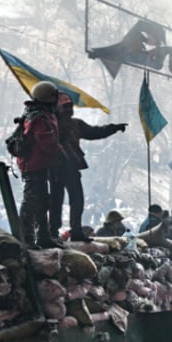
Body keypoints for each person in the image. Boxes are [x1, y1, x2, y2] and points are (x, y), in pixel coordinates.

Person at [50, 93, 127, 242]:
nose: (69, 109)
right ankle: (57, 230)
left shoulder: (71, 124)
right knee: (60, 200)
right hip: (58, 167)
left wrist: (113, 128)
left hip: (64, 167)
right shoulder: (51, 124)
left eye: (69, 106)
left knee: (68, 200)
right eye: (65, 106)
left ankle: (66, 230)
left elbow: (94, 132)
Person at [13, 81, 62, 248]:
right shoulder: (39, 117)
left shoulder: (38, 114)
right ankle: (26, 238)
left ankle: (42, 236)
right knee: (32, 202)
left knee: (42, 202)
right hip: (35, 165)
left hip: (38, 164)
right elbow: (46, 142)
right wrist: (60, 151)